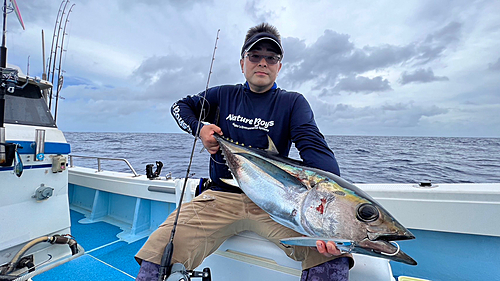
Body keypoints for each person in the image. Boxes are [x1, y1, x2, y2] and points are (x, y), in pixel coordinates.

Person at [135, 23, 353, 281]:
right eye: (255, 55)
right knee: (160, 249)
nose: (263, 62)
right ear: (242, 63)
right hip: (220, 197)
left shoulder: (292, 102)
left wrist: (330, 203)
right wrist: (200, 129)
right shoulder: (222, 95)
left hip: (278, 202)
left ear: (279, 67)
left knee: (331, 255)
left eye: (271, 57)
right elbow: (180, 107)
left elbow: (313, 146)